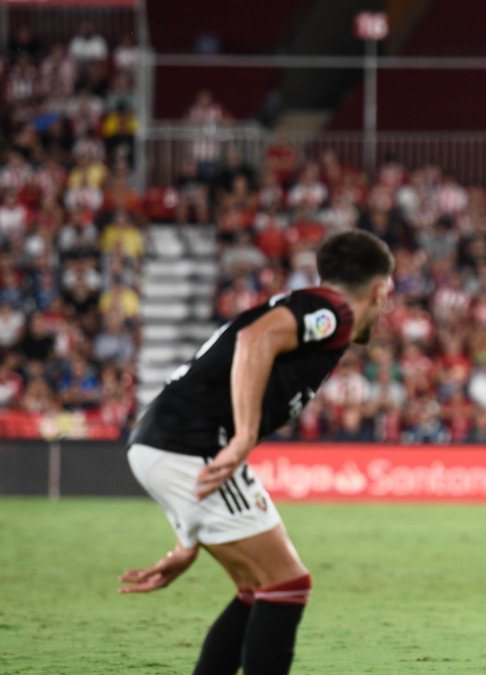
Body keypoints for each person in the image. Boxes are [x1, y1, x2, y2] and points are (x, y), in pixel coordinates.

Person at [118, 231, 395, 674]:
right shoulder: (333, 311)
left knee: (257, 588)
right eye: (388, 296)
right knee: (286, 585)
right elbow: (254, 341)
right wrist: (244, 436)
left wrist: (187, 537)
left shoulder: (309, 307)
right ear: (381, 290)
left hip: (172, 441)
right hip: (190, 445)